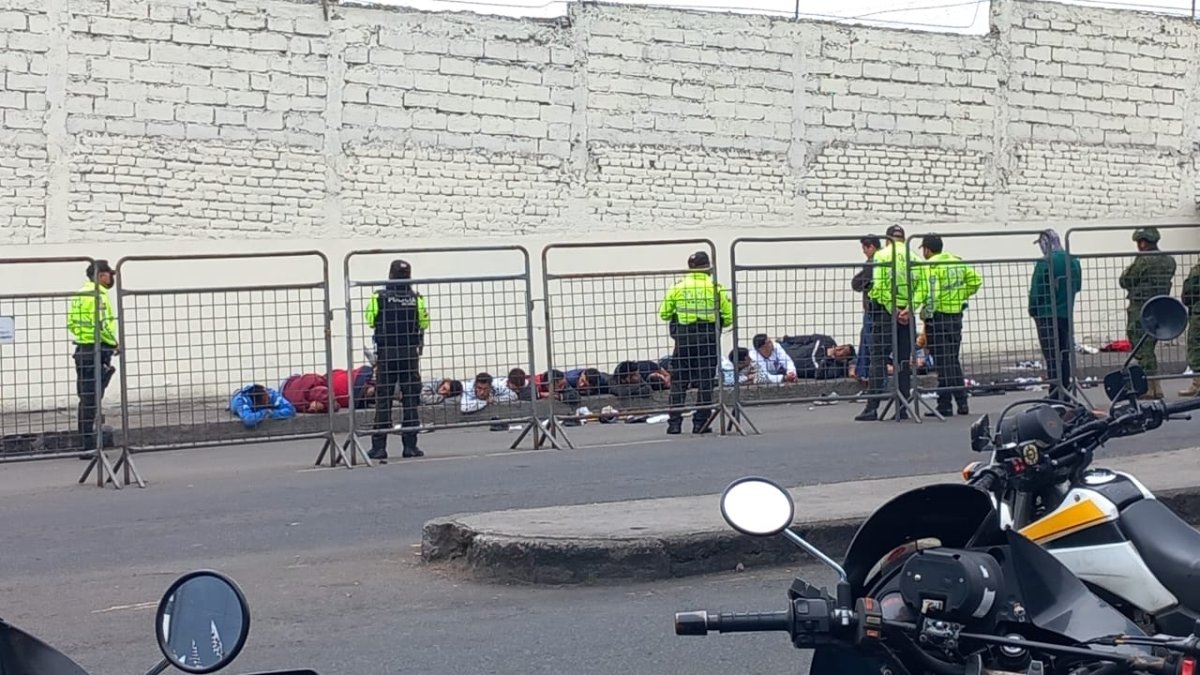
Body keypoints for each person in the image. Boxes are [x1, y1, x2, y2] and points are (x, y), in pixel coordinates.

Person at [856, 225, 927, 422]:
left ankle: (872, 407)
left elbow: (878, 286)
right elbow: (923, 287)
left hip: (885, 313)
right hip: (906, 314)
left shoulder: (882, 256)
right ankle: (902, 407)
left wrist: (892, 308)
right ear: (904, 239)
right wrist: (909, 307)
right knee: (903, 360)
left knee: (878, 358)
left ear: (887, 239)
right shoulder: (914, 257)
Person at [658, 251, 734, 435]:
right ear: (708, 266)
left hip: (684, 340)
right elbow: (729, 317)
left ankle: (674, 424)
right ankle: (700, 423)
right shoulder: (716, 287)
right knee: (706, 382)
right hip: (707, 339)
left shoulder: (678, 287)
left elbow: (664, 314)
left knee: (679, 382)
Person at [364, 259, 429, 460]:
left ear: (390, 275)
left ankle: (379, 447)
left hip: (387, 354)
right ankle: (410, 446)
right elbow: (425, 322)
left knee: (383, 400)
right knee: (410, 400)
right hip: (409, 354)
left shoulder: (379, 297)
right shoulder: (416, 298)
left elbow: (369, 319)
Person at [918, 234, 982, 417]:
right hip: (955, 316)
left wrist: (925, 313)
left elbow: (932, 293)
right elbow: (975, 281)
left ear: (927, 250)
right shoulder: (956, 262)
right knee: (952, 359)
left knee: (943, 362)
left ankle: (946, 405)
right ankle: (959, 403)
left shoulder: (930, 266)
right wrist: (960, 295)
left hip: (938, 317)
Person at [66, 259, 119, 457]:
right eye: (109, 274)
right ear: (100, 275)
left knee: (86, 398)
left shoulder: (80, 294)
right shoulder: (99, 296)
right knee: (93, 398)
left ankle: (87, 441)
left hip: (82, 349)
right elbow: (102, 324)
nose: (112, 278)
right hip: (97, 350)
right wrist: (113, 343)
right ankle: (89, 446)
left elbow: (71, 322)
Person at [1120, 227, 1176, 400]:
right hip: (1160, 307)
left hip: (1141, 308)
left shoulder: (1143, 261)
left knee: (1141, 346)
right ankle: (1155, 386)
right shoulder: (1169, 260)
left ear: (1143, 242)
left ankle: (1150, 387)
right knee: (1149, 346)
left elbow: (1125, 280)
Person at [1028, 229, 1081, 401]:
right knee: (1064, 353)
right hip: (1066, 313)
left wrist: (1033, 309)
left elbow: (1037, 290)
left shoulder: (1045, 262)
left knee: (1052, 355)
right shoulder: (1073, 261)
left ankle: (1054, 392)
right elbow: (1078, 285)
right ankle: (1064, 390)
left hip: (1046, 314)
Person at [851, 236, 882, 384]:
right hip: (883, 308)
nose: (864, 252)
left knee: (870, 341)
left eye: (865, 248)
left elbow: (856, 284)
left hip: (873, 309)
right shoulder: (886, 260)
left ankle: (865, 374)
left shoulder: (872, 263)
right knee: (868, 338)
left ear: (871, 247)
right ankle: (863, 372)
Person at [780, 334, 857, 380]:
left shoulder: (834, 368)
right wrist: (788, 339)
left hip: (784, 367)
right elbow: (807, 339)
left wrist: (828, 357)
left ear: (843, 360)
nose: (840, 349)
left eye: (844, 352)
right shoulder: (827, 340)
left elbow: (818, 375)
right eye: (843, 346)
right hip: (787, 349)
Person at [1181, 260, 1200, 397]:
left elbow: (1188, 292)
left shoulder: (1197, 271)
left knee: (1196, 347)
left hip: (1198, 313)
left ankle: (1197, 384)